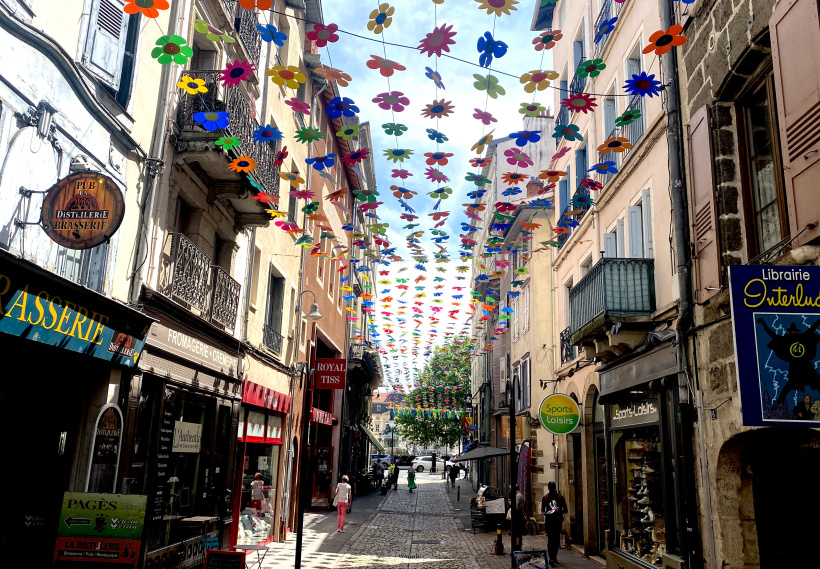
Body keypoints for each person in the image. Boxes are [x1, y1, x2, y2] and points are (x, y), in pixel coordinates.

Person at [757, 318, 820, 404]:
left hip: (806, 366)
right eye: (792, 332)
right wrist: (765, 325)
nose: (794, 333)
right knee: (789, 386)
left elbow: (811, 329)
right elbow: (773, 335)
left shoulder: (802, 337)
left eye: (795, 332)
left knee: (817, 382)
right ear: (790, 332)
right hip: (795, 368)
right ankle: (779, 403)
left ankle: (779, 402)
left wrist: (818, 321)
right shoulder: (786, 340)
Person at [542, 481, 568, 567]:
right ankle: (552, 557)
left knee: (555, 540)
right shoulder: (545, 498)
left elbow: (565, 509)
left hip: (556, 521)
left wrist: (558, 511)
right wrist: (547, 513)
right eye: (550, 487)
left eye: (552, 487)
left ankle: (554, 556)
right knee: (551, 540)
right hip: (550, 521)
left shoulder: (560, 497)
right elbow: (542, 510)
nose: (551, 489)